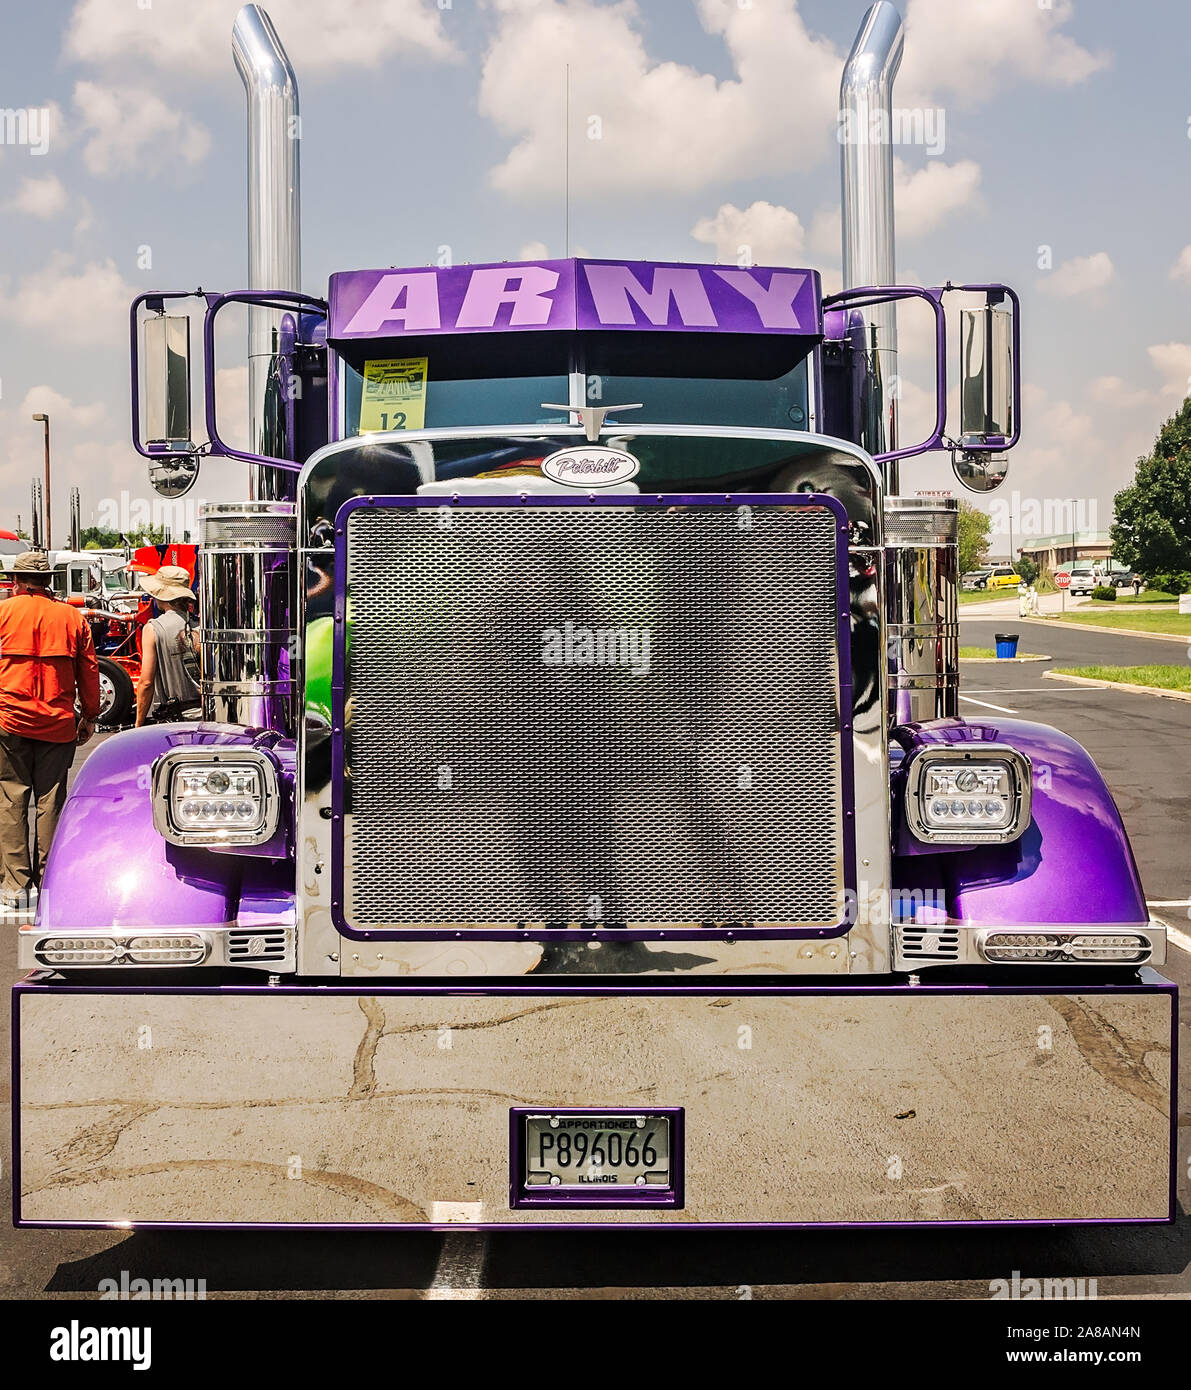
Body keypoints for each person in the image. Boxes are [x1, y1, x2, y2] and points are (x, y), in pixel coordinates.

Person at [0, 550, 100, 911]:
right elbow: (89, 673)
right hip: (57, 722)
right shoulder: (71, 618)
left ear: (16, 583)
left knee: (11, 799)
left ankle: (16, 886)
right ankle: (52, 879)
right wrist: (89, 716)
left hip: (9, 720)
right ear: (47, 582)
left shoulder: (4, 613)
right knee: (51, 801)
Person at [135, 565, 201, 725]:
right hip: (204, 715)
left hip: (174, 720)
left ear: (161, 594)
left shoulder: (153, 628)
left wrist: (138, 722)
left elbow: (146, 682)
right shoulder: (200, 625)